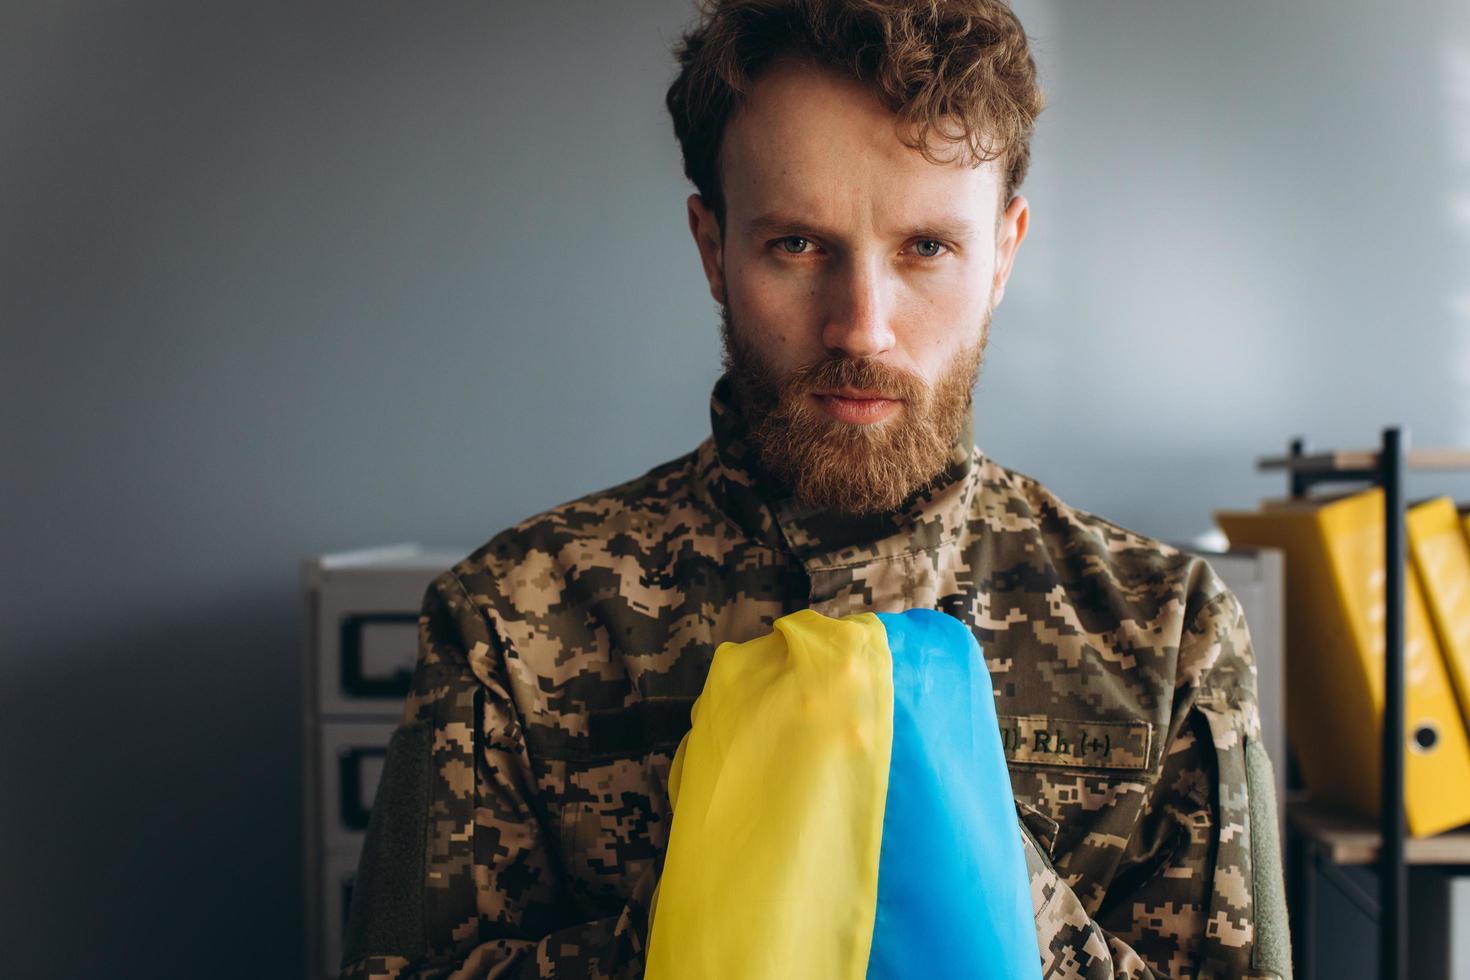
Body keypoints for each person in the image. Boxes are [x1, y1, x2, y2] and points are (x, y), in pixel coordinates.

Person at [341, 1, 1292, 978]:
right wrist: (728, 894)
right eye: (797, 245)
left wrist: (985, 882)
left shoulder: (1169, 633)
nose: (861, 327)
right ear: (714, 248)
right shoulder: (506, 621)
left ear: (1003, 252)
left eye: (927, 247)